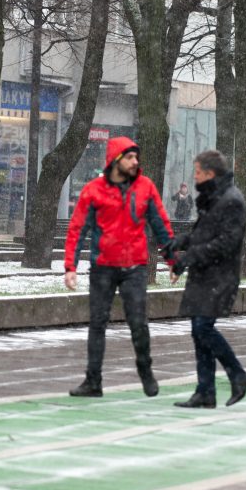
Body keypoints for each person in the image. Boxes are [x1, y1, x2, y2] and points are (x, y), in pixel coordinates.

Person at [64, 136, 174, 398]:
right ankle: (93, 381)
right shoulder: (93, 191)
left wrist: (173, 260)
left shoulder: (145, 187)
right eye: (130, 157)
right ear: (116, 161)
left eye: (137, 157)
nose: (136, 162)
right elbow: (78, 229)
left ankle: (145, 371)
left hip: (134, 267)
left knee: (138, 322)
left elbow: (161, 225)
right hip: (102, 266)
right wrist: (71, 266)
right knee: (97, 324)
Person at [169, 150, 246, 408]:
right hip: (206, 274)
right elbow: (203, 232)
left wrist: (188, 257)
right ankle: (205, 391)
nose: (194, 177)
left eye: (197, 172)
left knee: (203, 328)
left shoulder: (231, 200)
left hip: (220, 275)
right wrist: (181, 242)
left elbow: (226, 242)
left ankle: (237, 375)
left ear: (210, 173)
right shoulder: (214, 197)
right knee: (198, 330)